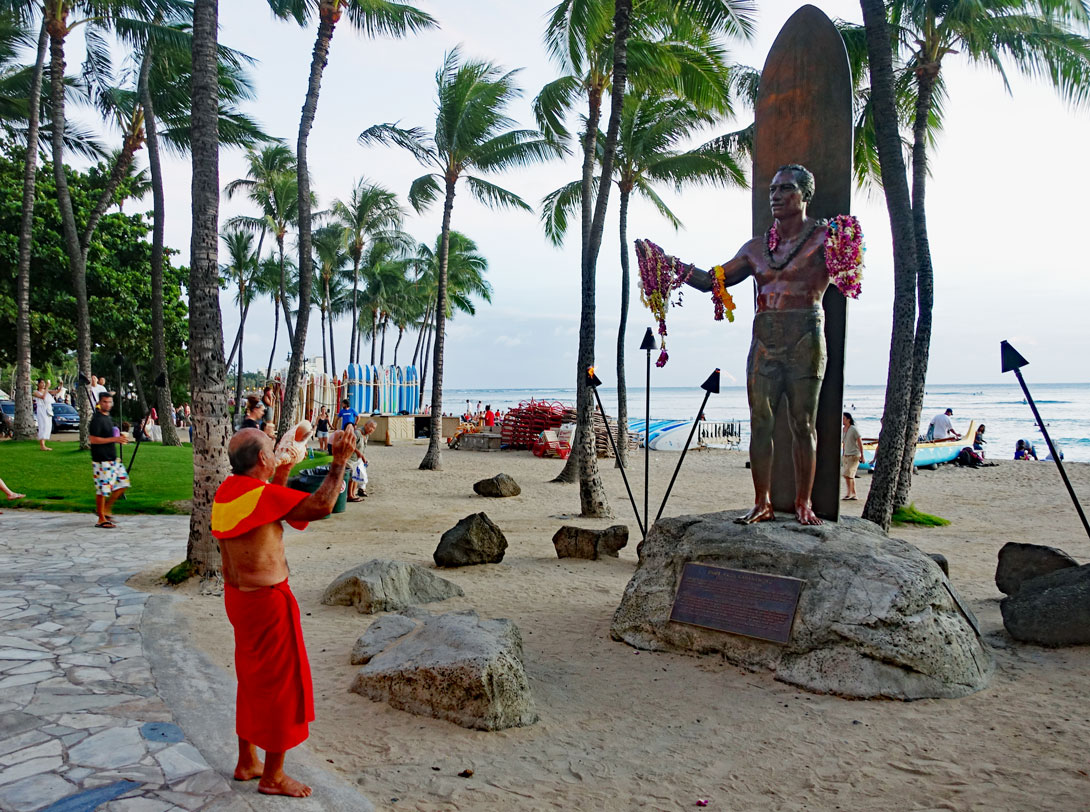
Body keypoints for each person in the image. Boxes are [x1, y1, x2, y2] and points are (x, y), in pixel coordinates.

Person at [681, 164, 833, 524]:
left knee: (803, 424)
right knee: (760, 421)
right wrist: (674, 266)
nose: (775, 197)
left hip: (805, 335)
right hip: (764, 337)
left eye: (785, 189)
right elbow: (710, 282)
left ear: (805, 195)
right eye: (772, 190)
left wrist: (850, 247)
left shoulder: (826, 238)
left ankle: (803, 503)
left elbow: (850, 275)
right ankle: (762, 502)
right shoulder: (755, 249)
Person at [211, 426, 356, 798]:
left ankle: (247, 761)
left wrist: (283, 469)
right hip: (267, 600)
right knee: (282, 686)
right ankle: (272, 776)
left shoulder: (229, 492)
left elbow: (271, 504)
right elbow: (321, 505)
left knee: (251, 679)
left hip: (239, 599)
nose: (276, 452)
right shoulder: (257, 496)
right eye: (271, 450)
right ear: (261, 459)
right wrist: (339, 461)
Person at [89, 392, 130, 528]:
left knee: (123, 484)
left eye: (110, 402)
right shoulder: (97, 419)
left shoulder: (108, 417)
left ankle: (105, 509)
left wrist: (119, 439)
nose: (108, 404)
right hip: (102, 460)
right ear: (100, 403)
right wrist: (114, 439)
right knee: (103, 490)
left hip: (113, 459)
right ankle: (101, 519)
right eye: (105, 402)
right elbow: (93, 439)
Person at [347, 420, 377, 501]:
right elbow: (350, 444)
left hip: (358, 459)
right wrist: (359, 454)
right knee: (352, 476)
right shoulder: (357, 433)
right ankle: (349, 495)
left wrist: (362, 457)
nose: (371, 429)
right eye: (370, 427)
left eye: (373, 428)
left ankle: (353, 494)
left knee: (357, 476)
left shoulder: (366, 435)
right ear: (365, 425)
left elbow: (362, 448)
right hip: (351, 458)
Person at [841, 412, 864, 501]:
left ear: (848, 419)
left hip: (854, 455)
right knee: (850, 475)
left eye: (843, 418)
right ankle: (853, 494)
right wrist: (843, 454)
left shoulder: (854, 429)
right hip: (846, 455)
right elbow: (844, 443)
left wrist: (862, 455)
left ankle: (849, 493)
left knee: (847, 474)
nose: (842, 420)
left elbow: (859, 442)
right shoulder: (843, 430)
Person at [33, 379, 58, 451]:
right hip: (41, 410)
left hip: (48, 409)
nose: (43, 384)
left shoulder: (46, 391)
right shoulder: (36, 392)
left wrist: (60, 385)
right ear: (38, 384)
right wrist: (47, 387)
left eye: (44, 383)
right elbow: (43, 397)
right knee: (43, 425)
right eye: (42, 383)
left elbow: (56, 392)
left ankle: (44, 444)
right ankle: (42, 445)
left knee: (48, 426)